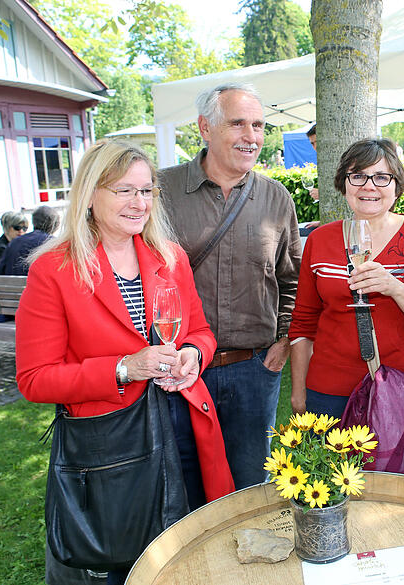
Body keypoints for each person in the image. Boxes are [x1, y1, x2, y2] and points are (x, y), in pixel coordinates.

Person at [15, 140, 234, 585]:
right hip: (112, 446)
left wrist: (192, 357)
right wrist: (123, 369)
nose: (139, 203)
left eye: (147, 190)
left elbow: (200, 333)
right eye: (124, 191)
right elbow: (35, 379)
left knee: (190, 552)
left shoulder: (169, 257)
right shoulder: (54, 270)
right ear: (90, 194)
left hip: (182, 425)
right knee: (126, 565)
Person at [159, 82, 301, 490]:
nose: (252, 136)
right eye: (238, 124)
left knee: (251, 487)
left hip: (253, 370)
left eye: (258, 125)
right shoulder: (160, 192)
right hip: (179, 371)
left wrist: (284, 342)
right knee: (181, 486)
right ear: (205, 127)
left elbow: (292, 279)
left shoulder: (276, 198)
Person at [288, 138, 404, 420]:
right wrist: (298, 393)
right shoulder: (319, 240)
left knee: (397, 468)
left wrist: (395, 287)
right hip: (330, 394)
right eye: (358, 176)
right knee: (336, 467)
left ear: (396, 185)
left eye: (381, 177)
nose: (369, 186)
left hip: (402, 389)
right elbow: (304, 323)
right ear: (344, 183)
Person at [0, 205, 60, 276]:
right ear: (55, 224)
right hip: (35, 286)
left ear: (33, 222)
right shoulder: (54, 244)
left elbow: (0, 272)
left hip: (9, 286)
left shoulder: (14, 242)